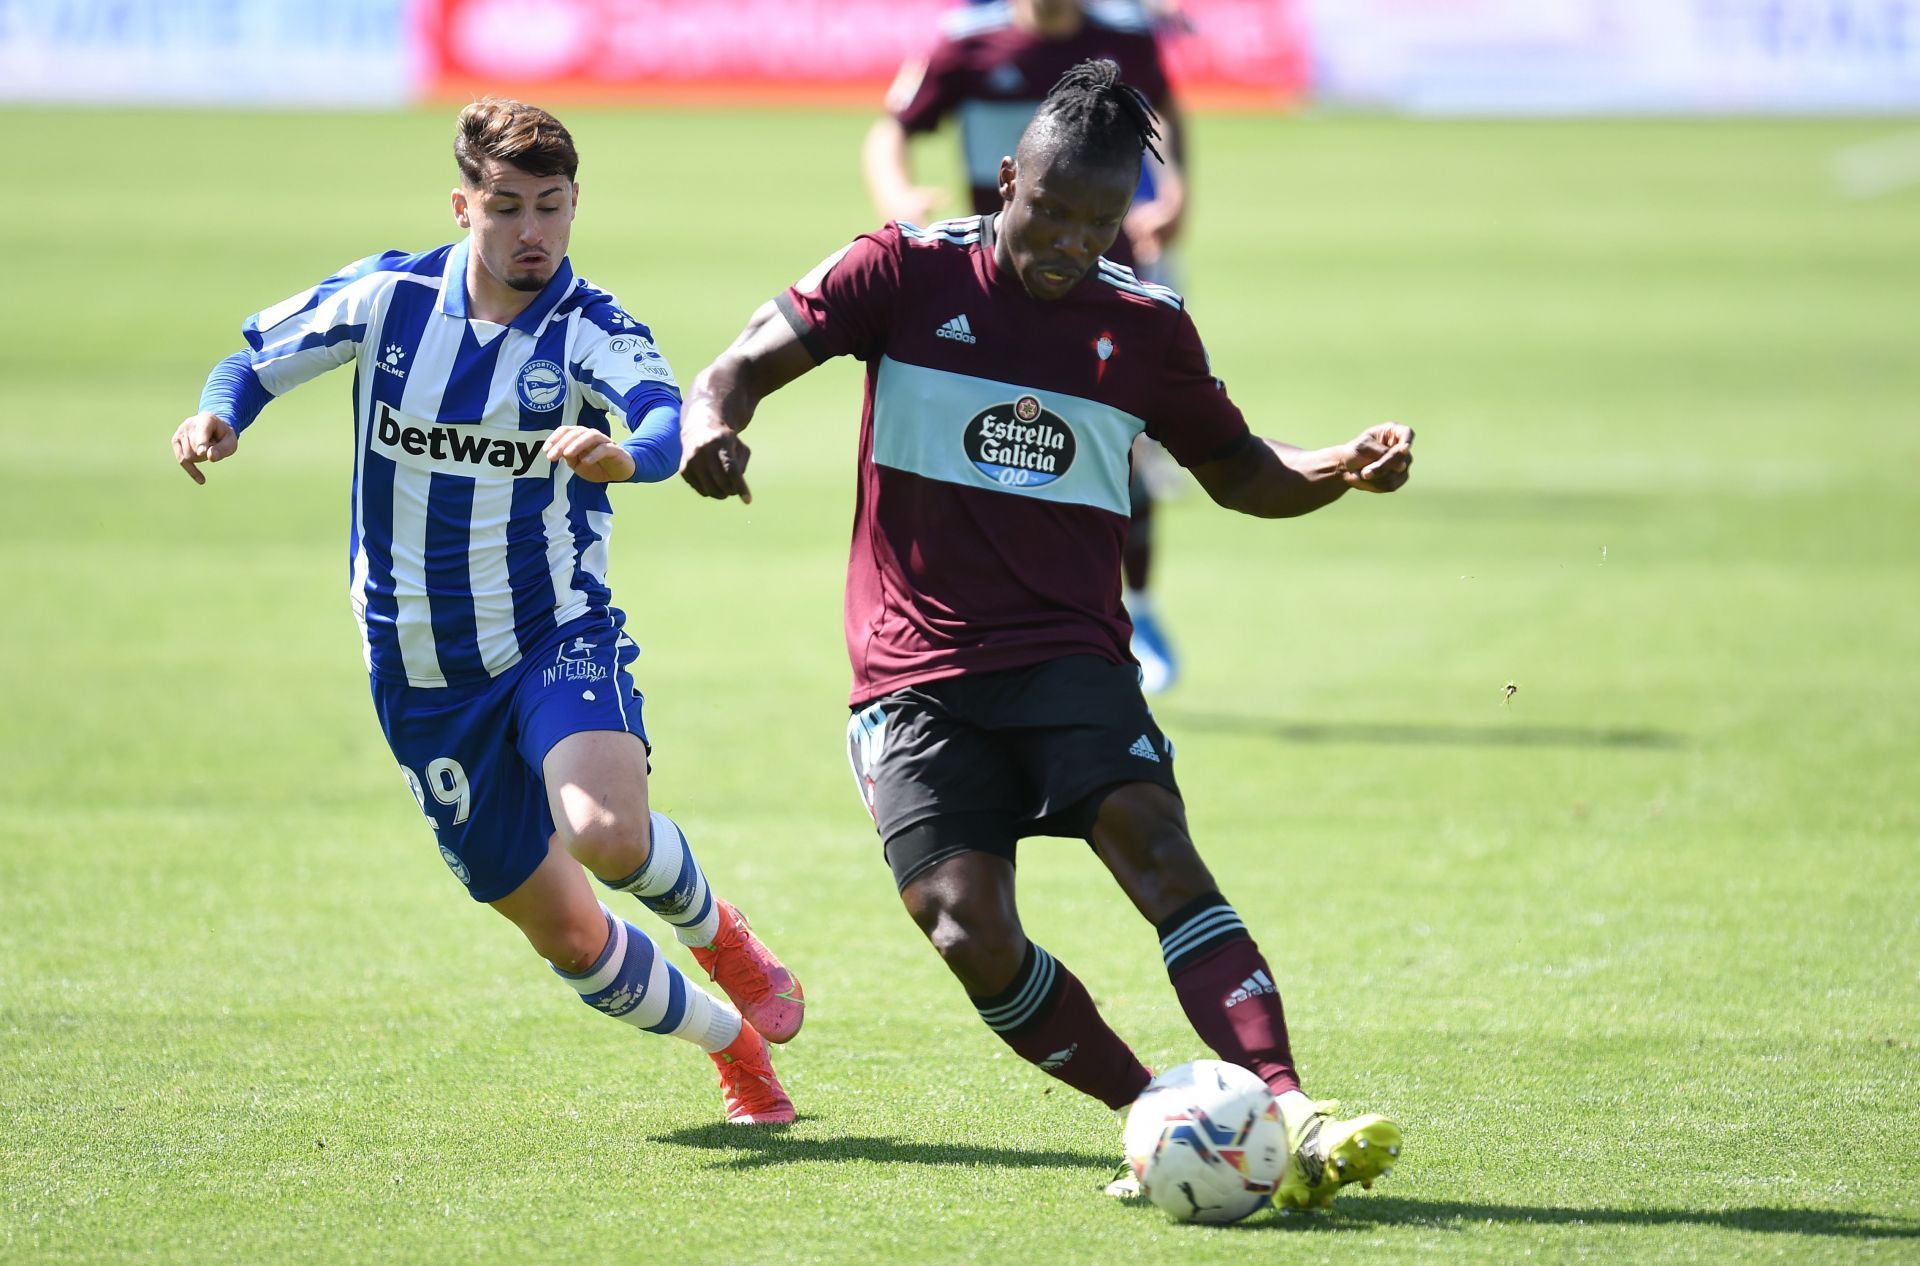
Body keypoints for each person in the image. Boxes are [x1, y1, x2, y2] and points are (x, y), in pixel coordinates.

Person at [681, 60, 1412, 1209]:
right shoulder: (900, 272)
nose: (1071, 242)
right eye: (1050, 211)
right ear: (1007, 176)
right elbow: (730, 372)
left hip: (1069, 659)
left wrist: (1340, 469)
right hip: (912, 678)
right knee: (965, 926)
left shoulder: (1145, 326)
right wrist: (710, 430)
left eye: (1097, 222)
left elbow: (1242, 473)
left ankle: (1288, 1105)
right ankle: (1154, 1115)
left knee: (1159, 851)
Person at [171, 98, 802, 1125]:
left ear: (574, 205)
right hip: (418, 668)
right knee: (571, 939)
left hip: (552, 628)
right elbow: (252, 358)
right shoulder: (388, 299)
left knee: (602, 830)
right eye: (506, 208)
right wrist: (217, 417)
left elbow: (659, 416)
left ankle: (719, 934)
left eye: (551, 208)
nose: (532, 234)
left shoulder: (591, 327)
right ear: (464, 205)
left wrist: (624, 456)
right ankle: (731, 1047)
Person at [864, 0, 1187, 691]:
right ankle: (981, 625)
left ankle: (1140, 612)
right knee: (995, 452)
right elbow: (891, 128)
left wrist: (1178, 192)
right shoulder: (967, 44)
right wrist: (898, 194)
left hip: (1107, 279)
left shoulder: (1125, 38)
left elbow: (1167, 116)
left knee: (1123, 449)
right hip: (990, 287)